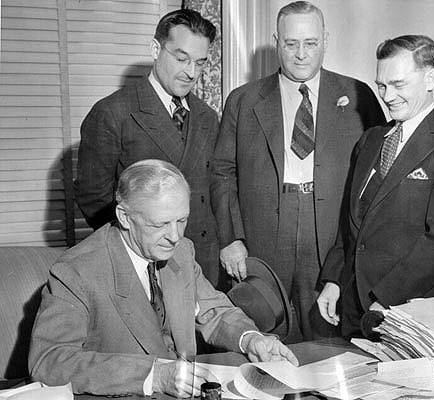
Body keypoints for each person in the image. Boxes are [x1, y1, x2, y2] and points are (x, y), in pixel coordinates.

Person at [29, 159, 298, 398]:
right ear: (124, 216)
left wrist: (250, 338)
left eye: (182, 220)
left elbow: (213, 311)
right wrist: (154, 375)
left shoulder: (180, 251)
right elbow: (48, 361)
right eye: (160, 224)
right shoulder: (76, 271)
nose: (175, 235)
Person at [211, 1, 385, 341]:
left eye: (311, 43)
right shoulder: (243, 101)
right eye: (291, 44)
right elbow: (221, 173)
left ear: (326, 40)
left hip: (331, 232)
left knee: (326, 334)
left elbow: (375, 180)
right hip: (263, 230)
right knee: (265, 331)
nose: (301, 54)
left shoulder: (358, 96)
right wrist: (232, 237)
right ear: (277, 41)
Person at [316, 35, 434, 337]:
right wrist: (334, 281)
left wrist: (386, 298)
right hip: (355, 310)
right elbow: (351, 225)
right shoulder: (369, 141)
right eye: (381, 85)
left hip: (408, 312)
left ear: (430, 78)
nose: (387, 96)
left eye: (398, 84)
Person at [74, 9, 222, 287]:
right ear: (155, 49)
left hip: (202, 260)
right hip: (143, 261)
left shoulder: (207, 116)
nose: (191, 73)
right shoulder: (112, 112)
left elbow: (214, 187)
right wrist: (136, 247)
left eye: (200, 63)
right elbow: (93, 197)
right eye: (181, 59)